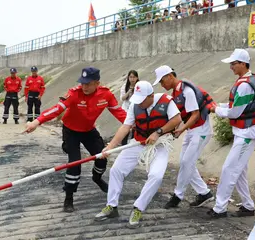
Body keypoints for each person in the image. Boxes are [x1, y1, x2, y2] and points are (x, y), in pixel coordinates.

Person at [24, 67, 127, 213]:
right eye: (82, 83)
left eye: (88, 84)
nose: (84, 86)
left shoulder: (106, 94)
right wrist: (37, 122)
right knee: (75, 164)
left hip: (89, 130)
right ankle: (69, 198)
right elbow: (57, 109)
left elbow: (120, 113)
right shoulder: (74, 93)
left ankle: (97, 178)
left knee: (102, 157)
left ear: (97, 83)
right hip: (71, 131)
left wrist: (135, 124)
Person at [94, 81, 182, 228]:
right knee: (116, 170)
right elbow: (126, 127)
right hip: (138, 142)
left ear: (151, 96)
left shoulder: (166, 101)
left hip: (160, 144)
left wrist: (158, 132)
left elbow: (177, 119)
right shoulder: (135, 105)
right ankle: (111, 206)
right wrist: (109, 147)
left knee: (156, 176)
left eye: (142, 100)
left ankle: (138, 208)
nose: (139, 104)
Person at [208, 48, 255, 218]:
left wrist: (215, 109)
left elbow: (234, 113)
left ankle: (220, 208)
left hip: (246, 134)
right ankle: (248, 206)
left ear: (243, 64)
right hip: (244, 132)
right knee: (239, 171)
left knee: (229, 169)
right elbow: (236, 107)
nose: (231, 67)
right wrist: (220, 106)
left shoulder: (245, 85)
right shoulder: (245, 80)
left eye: (233, 63)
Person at [152, 65, 216, 209]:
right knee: (185, 162)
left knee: (187, 162)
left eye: (162, 81)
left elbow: (195, 114)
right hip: (192, 130)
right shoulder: (176, 92)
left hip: (200, 131)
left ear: (170, 76)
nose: (162, 85)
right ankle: (204, 193)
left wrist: (181, 130)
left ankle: (178, 195)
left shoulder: (186, 91)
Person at [120, 70, 139, 145]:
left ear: (137, 77)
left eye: (134, 77)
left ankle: (133, 143)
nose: (132, 79)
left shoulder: (139, 86)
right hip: (126, 110)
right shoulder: (125, 86)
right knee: (126, 127)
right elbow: (122, 98)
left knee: (135, 128)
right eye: (130, 77)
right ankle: (124, 144)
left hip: (136, 110)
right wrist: (128, 92)